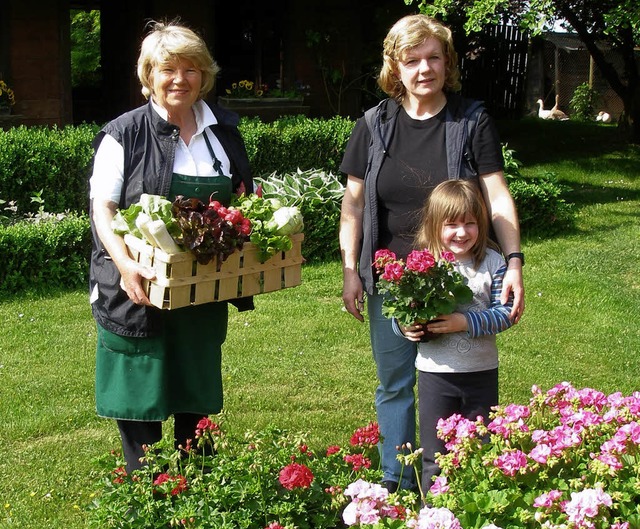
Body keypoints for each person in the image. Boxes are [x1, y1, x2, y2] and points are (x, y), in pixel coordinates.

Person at [339, 14, 524, 492]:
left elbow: (498, 196)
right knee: (396, 384)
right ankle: (395, 482)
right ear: (395, 67)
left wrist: (514, 263)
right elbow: (354, 203)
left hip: (455, 280)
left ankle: (459, 480)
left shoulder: (470, 121)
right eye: (412, 60)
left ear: (448, 63)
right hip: (392, 282)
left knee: (458, 381)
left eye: (434, 58)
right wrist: (349, 270)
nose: (425, 69)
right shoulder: (373, 125)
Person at [88, 20, 254, 472]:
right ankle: (149, 498)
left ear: (204, 74)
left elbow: (243, 202)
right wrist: (125, 266)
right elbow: (102, 211)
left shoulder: (223, 132)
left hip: (200, 293)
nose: (180, 79)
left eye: (191, 69)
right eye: (167, 69)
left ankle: (198, 494)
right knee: (139, 399)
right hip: (136, 290)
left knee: (193, 397)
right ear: (148, 76)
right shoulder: (123, 135)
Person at [393, 179, 513, 493]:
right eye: (452, 224)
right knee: (435, 455)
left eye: (470, 223)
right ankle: (433, 517)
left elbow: (506, 313)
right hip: (436, 374)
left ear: (481, 223)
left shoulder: (492, 263)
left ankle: (478, 511)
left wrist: (463, 321)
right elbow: (399, 311)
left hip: (481, 373)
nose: (461, 232)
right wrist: (405, 328)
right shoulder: (422, 265)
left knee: (480, 448)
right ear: (434, 226)